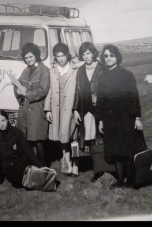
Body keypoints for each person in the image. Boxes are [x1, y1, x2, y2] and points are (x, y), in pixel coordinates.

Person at [96, 44, 143, 189]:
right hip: (109, 119)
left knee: (126, 149)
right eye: (106, 56)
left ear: (117, 57)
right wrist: (101, 120)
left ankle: (132, 178)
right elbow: (101, 100)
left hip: (125, 118)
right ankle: (120, 179)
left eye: (111, 55)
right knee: (114, 151)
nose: (108, 58)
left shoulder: (127, 75)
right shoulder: (102, 77)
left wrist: (137, 118)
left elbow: (133, 97)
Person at [44, 43, 79, 177]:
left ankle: (75, 164)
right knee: (62, 139)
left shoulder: (75, 69)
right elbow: (49, 91)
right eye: (58, 56)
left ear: (67, 55)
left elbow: (78, 91)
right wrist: (48, 110)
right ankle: (67, 163)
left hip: (71, 108)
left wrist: (76, 109)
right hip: (57, 109)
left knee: (74, 139)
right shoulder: (52, 70)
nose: (60, 59)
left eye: (63, 56)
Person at [73, 42, 106, 181]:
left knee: (100, 139)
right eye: (83, 54)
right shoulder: (80, 70)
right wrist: (75, 109)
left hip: (99, 110)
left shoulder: (102, 69)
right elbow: (77, 91)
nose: (86, 57)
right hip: (84, 110)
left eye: (88, 53)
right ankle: (95, 168)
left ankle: (103, 169)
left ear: (93, 53)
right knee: (88, 139)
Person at [13, 42, 50, 166]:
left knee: (38, 139)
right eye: (26, 58)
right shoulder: (25, 70)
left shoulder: (44, 70)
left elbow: (43, 90)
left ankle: (43, 167)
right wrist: (17, 90)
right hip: (25, 108)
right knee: (27, 138)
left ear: (36, 55)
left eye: (31, 57)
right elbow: (18, 84)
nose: (28, 60)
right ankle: (32, 165)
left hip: (37, 108)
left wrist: (26, 94)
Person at [0, 110, 43, 188]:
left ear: (7, 120)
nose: (1, 124)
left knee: (33, 172)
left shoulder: (16, 132)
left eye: (3, 120)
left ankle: (41, 178)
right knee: (20, 179)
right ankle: (30, 182)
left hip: (21, 161)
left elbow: (28, 151)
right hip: (9, 168)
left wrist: (40, 166)